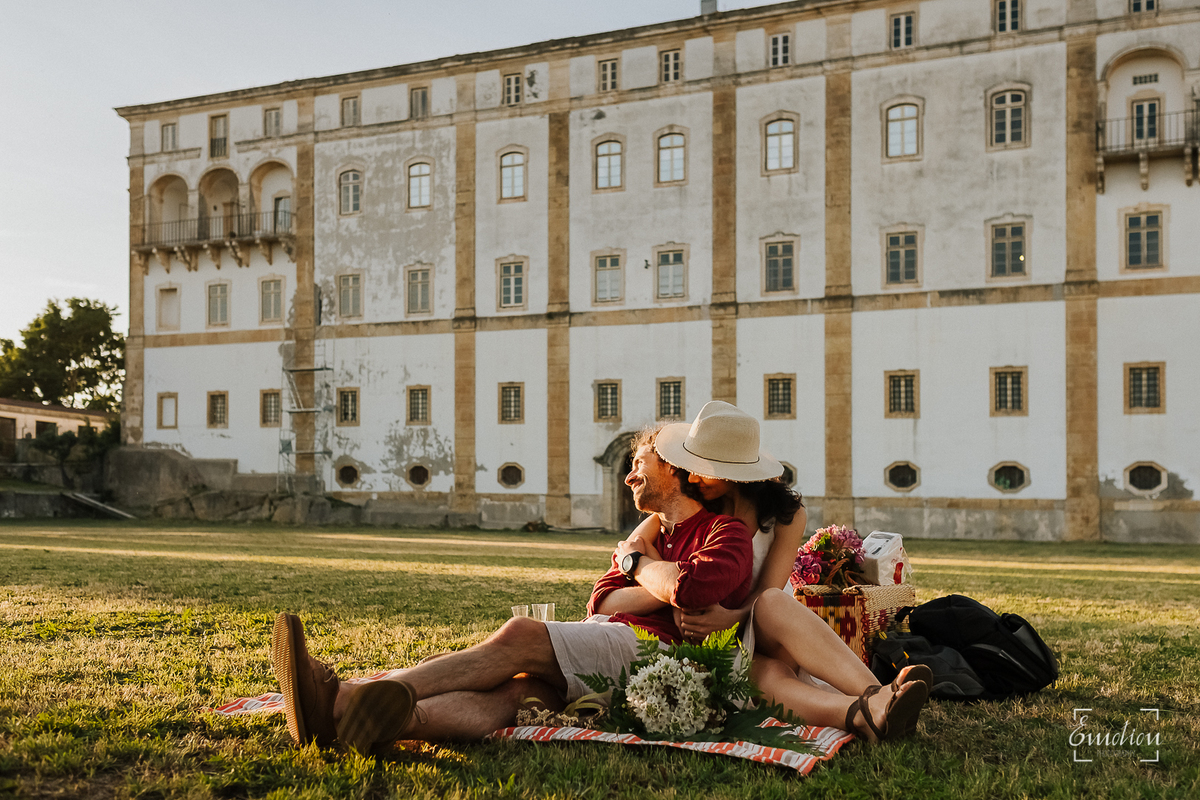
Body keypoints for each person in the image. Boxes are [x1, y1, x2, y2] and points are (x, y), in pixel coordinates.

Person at [272, 421, 755, 754]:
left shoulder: (723, 533)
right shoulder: (653, 538)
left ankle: (343, 697)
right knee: (515, 699)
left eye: (641, 462)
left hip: (656, 657)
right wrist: (656, 577)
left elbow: (693, 588)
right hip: (614, 645)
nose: (630, 474)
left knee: (522, 634)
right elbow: (600, 600)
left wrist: (634, 561)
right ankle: (386, 722)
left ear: (673, 467)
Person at [623, 401, 929, 743]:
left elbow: (767, 589)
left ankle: (877, 692)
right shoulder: (694, 500)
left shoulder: (785, 514)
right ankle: (866, 715)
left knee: (771, 602)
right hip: (710, 636)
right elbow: (634, 549)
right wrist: (646, 569)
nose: (692, 477)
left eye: (703, 468)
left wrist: (729, 619)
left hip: (768, 623)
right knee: (761, 675)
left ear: (734, 471)